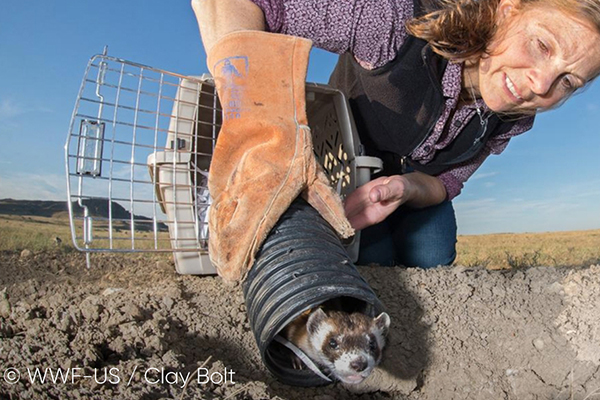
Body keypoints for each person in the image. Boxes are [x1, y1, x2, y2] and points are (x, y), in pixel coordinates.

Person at [191, 0, 600, 279]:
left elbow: (448, 182)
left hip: (407, 186)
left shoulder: (512, 119)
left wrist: (405, 188)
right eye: (541, 45)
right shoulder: (390, 24)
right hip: (348, 164)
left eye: (568, 81)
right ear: (506, 10)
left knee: (432, 257)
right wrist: (260, 131)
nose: (540, 85)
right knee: (371, 262)